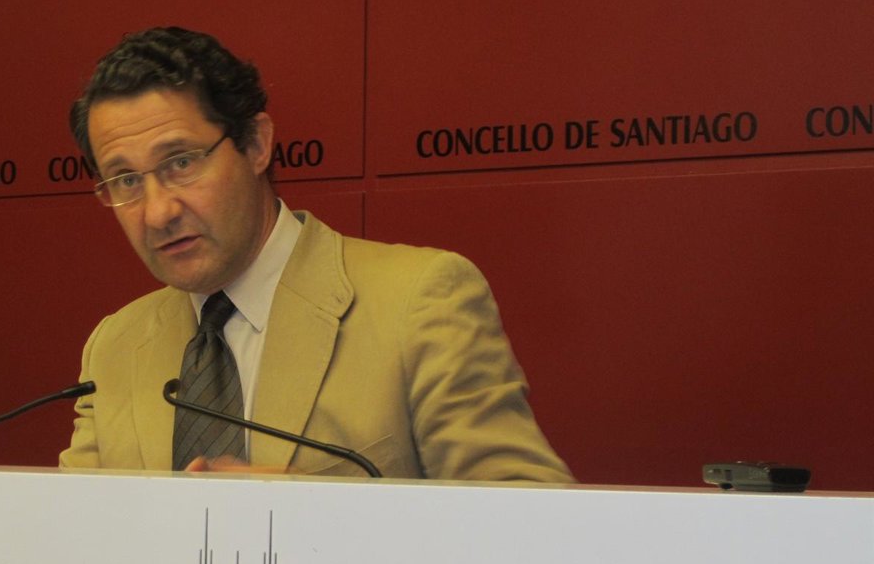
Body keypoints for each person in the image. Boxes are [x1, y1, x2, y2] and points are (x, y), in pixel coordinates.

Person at [59, 26, 572, 481]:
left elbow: (530, 520)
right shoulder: (115, 346)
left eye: (181, 162)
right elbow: (74, 535)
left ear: (256, 144)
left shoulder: (419, 302)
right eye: (125, 180)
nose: (156, 212)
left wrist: (311, 517)